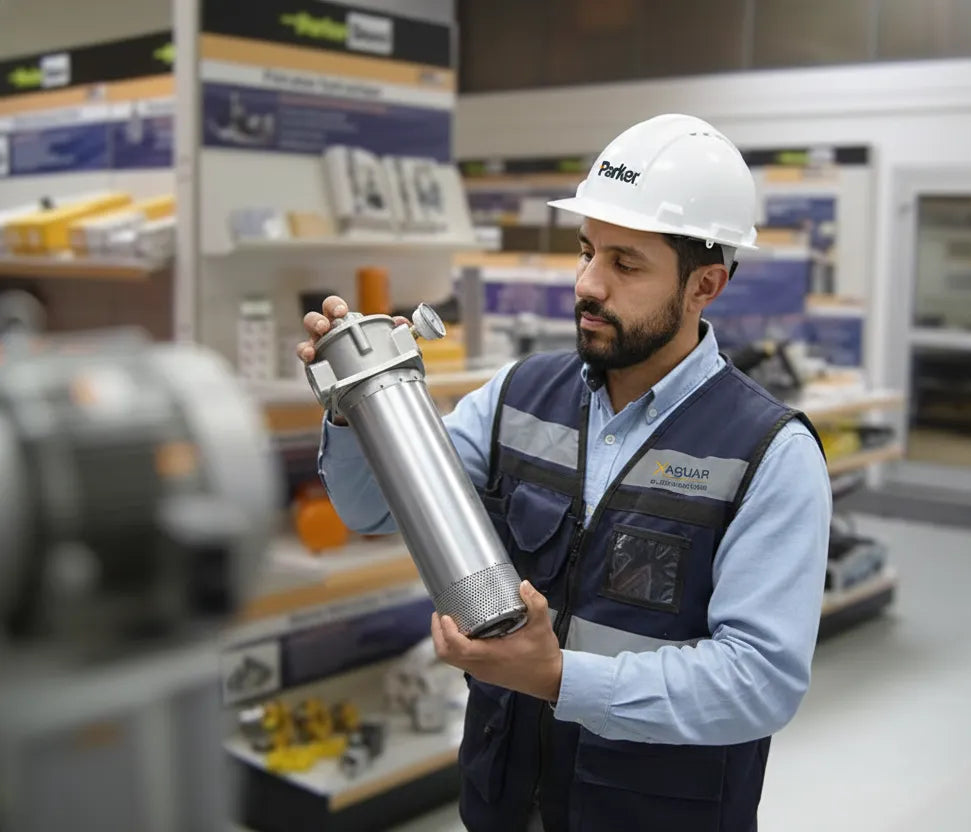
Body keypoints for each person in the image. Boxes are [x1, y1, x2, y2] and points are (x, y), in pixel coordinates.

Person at [298, 114, 833, 832]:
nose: (588, 284)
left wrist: (557, 678)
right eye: (587, 251)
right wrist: (356, 405)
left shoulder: (768, 452)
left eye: (626, 264)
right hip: (506, 800)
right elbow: (372, 510)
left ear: (704, 285)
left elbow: (759, 681)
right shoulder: (518, 396)